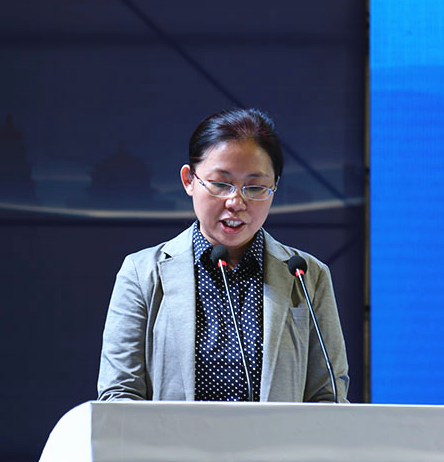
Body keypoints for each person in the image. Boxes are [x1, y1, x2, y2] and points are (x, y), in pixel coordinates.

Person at [96, 107, 349, 402]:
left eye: (255, 187)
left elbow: (328, 396)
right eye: (220, 184)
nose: (236, 202)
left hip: (278, 435)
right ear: (189, 180)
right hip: (171, 435)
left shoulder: (306, 274)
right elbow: (119, 395)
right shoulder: (142, 273)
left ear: (274, 187)